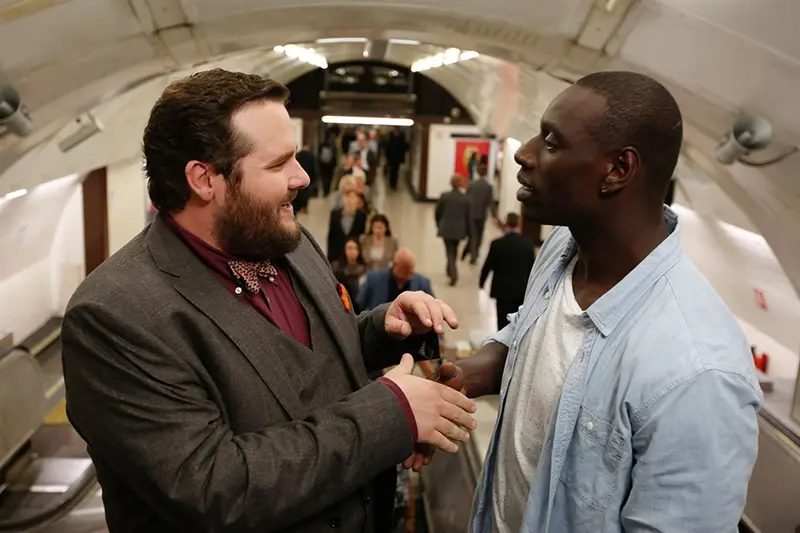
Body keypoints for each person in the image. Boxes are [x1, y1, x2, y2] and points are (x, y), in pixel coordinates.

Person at [60, 69, 478, 533]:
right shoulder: (116, 316)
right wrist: (392, 414)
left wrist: (382, 330)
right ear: (204, 178)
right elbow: (217, 489)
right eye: (278, 165)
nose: (302, 177)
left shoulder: (288, 243)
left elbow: (309, 361)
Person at [448, 71, 762, 533]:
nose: (523, 152)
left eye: (551, 142)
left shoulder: (697, 372)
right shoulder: (563, 248)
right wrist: (472, 372)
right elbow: (533, 334)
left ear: (618, 170)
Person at [479, 213, 536, 330]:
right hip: (521, 290)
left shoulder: (497, 244)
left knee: (502, 323)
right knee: (518, 322)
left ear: (506, 225)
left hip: (502, 291)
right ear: (519, 226)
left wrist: (481, 282)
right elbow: (533, 269)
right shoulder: (528, 245)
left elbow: (488, 265)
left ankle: (502, 345)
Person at [356, 248, 433, 312]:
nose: (411, 272)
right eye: (406, 268)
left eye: (412, 268)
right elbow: (358, 307)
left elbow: (432, 310)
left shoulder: (422, 284)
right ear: (395, 265)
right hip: (379, 327)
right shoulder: (373, 279)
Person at [435, 175, 472, 286]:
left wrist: (439, 224)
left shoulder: (444, 196)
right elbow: (468, 217)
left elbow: (437, 212)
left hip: (446, 228)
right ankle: (450, 269)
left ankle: (453, 273)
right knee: (454, 250)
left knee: (450, 251)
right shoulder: (466, 199)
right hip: (459, 230)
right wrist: (469, 232)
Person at [462, 155, 497, 264]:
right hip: (481, 215)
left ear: (477, 172)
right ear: (486, 173)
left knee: (473, 235)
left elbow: (466, 199)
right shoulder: (488, 187)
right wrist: (494, 215)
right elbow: (490, 202)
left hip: (471, 214)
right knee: (479, 236)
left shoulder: (472, 185)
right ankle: (474, 255)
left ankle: (470, 253)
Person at [331, 238, 368, 313]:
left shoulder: (364, 268)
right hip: (339, 302)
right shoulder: (335, 267)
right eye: (350, 248)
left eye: (355, 248)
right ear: (344, 250)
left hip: (358, 304)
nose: (352, 251)